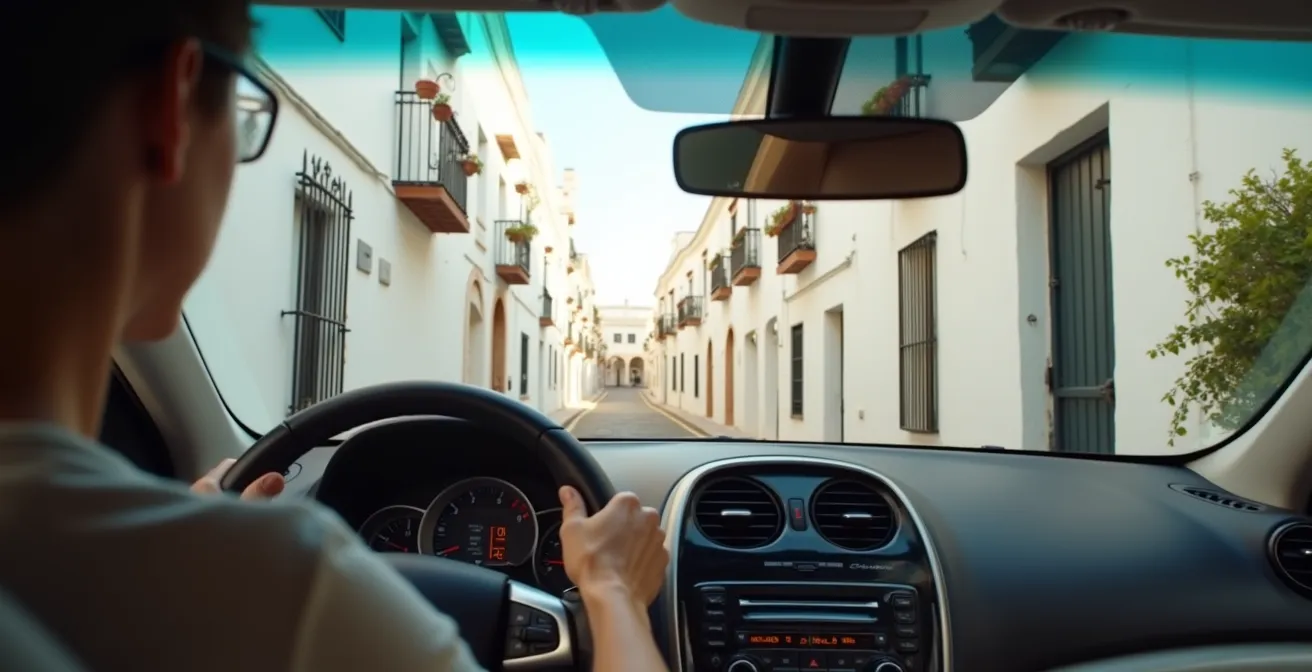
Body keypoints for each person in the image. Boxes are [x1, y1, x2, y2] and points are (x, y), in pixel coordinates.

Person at [0, 2, 670, 671]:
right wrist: (613, 592)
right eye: (243, 111)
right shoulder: (281, 587)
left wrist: (188, 516)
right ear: (169, 109)